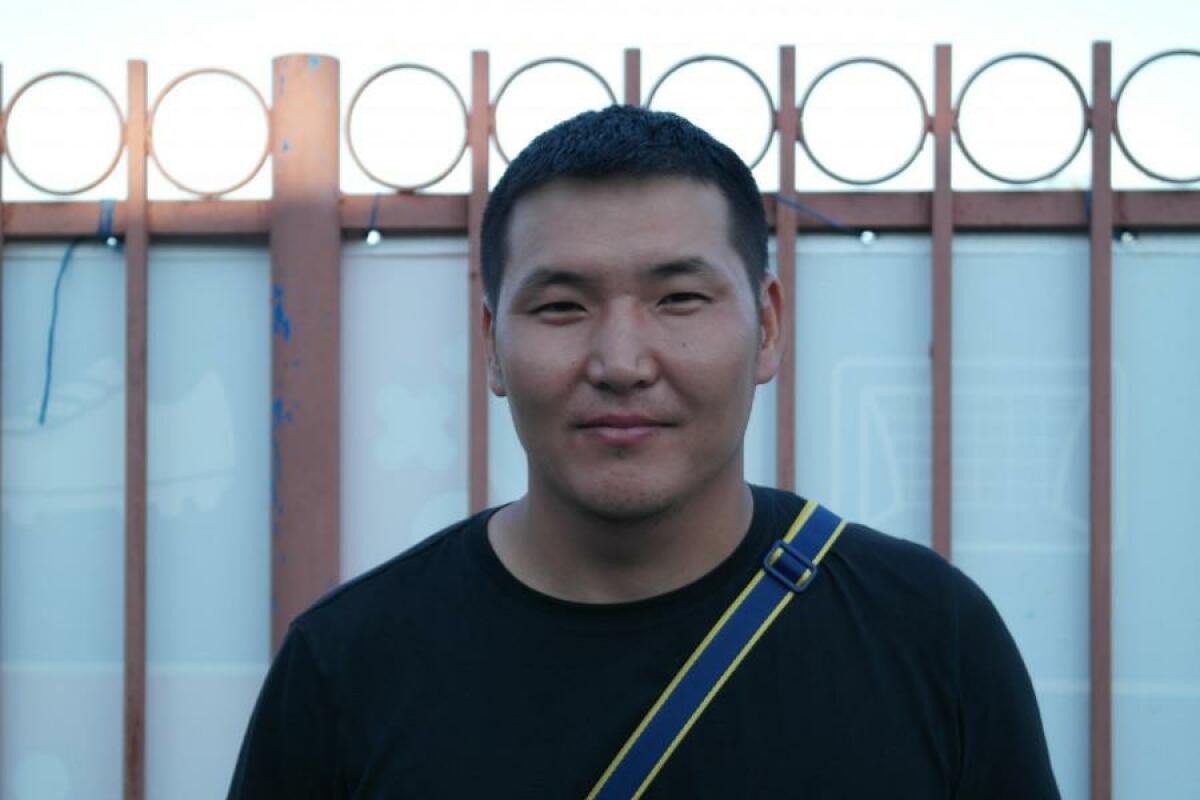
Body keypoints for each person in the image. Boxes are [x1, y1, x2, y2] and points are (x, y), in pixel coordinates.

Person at [228, 105, 1059, 798]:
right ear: (491, 347)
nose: (621, 363)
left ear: (768, 327)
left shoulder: (933, 639)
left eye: (680, 299)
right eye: (561, 307)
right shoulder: (345, 667)